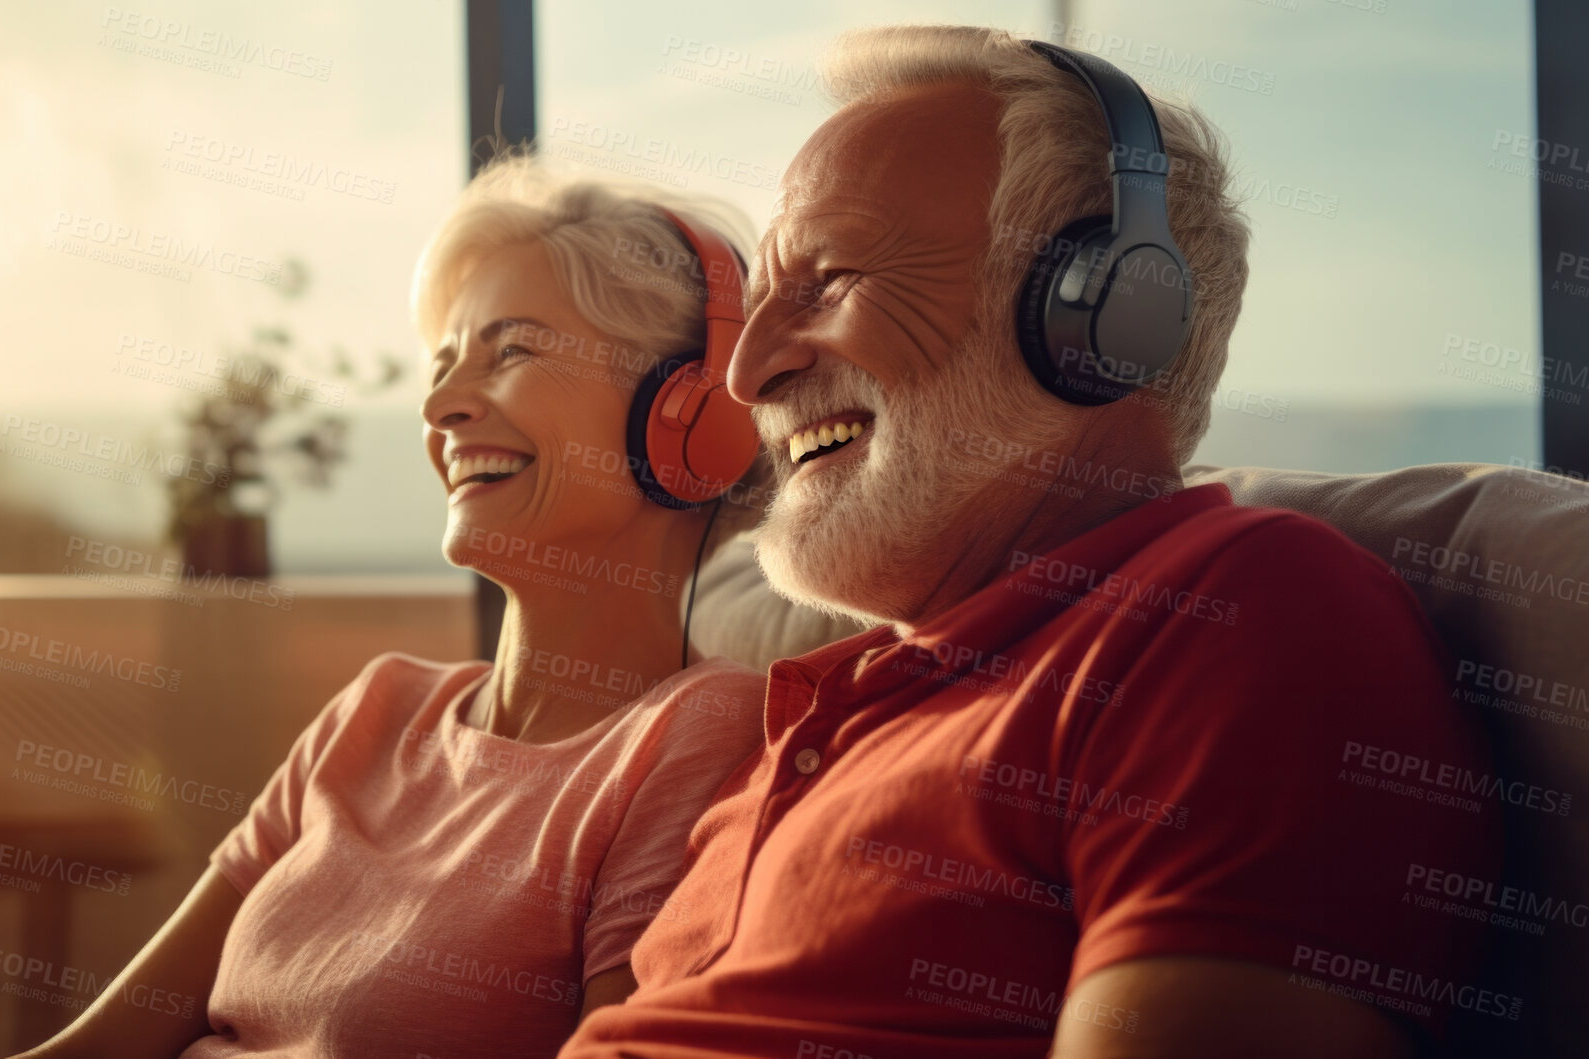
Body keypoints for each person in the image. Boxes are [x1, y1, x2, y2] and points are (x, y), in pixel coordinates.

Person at [561, 25, 1503, 1059]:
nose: (745, 377)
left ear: (1100, 313)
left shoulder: (1239, 611)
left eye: (825, 282)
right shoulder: (842, 700)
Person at [11, 157, 772, 1059]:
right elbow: (102, 1045)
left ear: (687, 415)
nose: (441, 405)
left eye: (513, 349)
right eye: (444, 362)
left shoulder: (697, 734)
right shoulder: (376, 709)